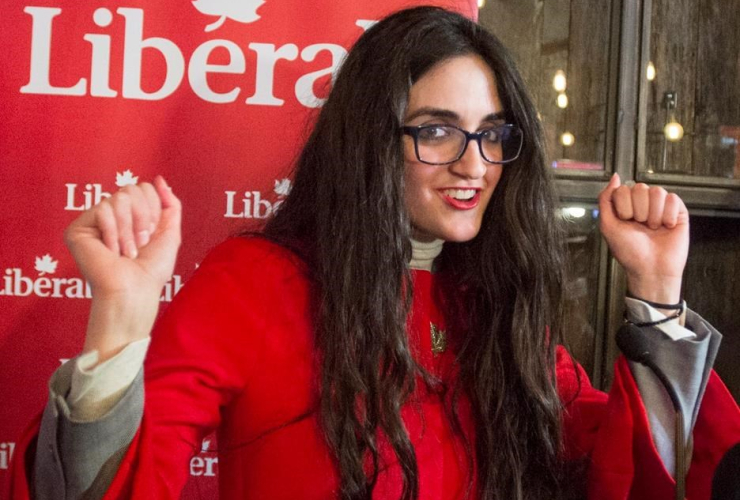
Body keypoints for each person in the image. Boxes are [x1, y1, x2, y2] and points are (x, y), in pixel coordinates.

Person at [9, 6, 740, 500]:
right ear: (368, 139)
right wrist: (119, 323)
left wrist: (657, 295)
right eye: (436, 130)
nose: (474, 165)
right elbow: (118, 485)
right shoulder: (260, 284)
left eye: (493, 134)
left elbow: (635, 476)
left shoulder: (493, 306)